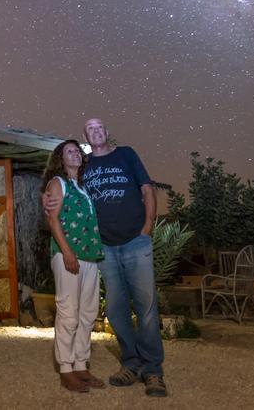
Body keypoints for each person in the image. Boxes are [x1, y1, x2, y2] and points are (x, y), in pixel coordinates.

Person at [45, 117, 168, 397]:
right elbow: (57, 196)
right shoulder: (83, 170)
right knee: (115, 310)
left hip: (133, 243)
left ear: (107, 132)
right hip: (104, 249)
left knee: (145, 309)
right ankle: (130, 364)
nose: (96, 132)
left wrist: (147, 226)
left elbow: (147, 189)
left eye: (100, 127)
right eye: (90, 129)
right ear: (86, 137)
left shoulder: (125, 154)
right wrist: (47, 199)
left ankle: (153, 372)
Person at [42, 139, 106, 393]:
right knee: (68, 311)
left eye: (77, 151)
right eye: (70, 151)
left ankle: (81, 364)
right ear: (61, 158)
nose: (76, 154)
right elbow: (52, 218)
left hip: (90, 256)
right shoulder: (58, 184)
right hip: (69, 255)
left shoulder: (83, 186)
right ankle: (66, 369)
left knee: (88, 313)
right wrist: (67, 251)